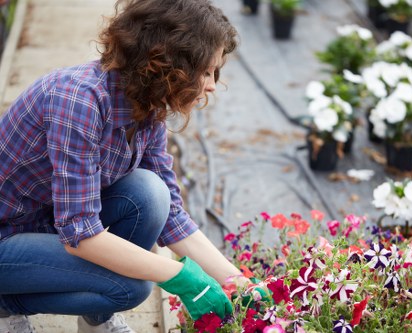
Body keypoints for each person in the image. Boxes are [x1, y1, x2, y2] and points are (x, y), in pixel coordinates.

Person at [0, 0, 246, 332]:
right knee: (131, 287)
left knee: (150, 194)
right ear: (167, 63)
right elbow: (81, 232)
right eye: (205, 71)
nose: (212, 84)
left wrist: (239, 283)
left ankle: (94, 321)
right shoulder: (80, 102)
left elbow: (171, 215)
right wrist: (179, 275)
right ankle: (6, 303)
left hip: (48, 226)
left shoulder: (147, 107)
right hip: (8, 236)